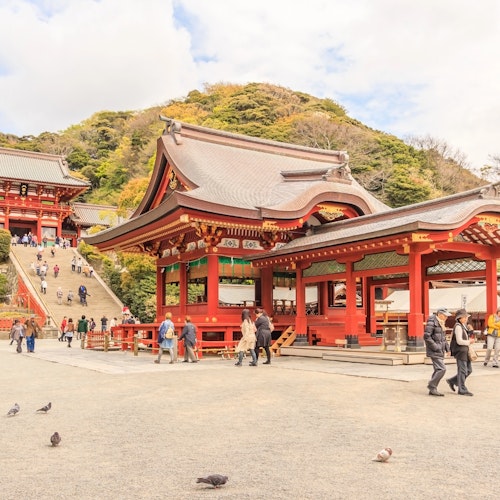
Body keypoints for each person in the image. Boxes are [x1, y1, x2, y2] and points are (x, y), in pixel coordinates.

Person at [424, 307, 451, 396]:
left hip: (440, 349)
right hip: (434, 350)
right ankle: (431, 386)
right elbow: (427, 336)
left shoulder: (441, 323)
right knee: (442, 369)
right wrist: (436, 347)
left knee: (437, 369)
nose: (446, 317)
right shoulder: (432, 322)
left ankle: (433, 389)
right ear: (439, 314)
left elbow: (443, 338)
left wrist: (447, 348)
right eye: (445, 316)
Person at [446, 309, 475, 396]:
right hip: (460, 351)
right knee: (463, 370)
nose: (466, 318)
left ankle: (452, 381)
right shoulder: (458, 327)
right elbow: (459, 341)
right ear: (460, 318)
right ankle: (462, 388)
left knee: (468, 370)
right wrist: (469, 342)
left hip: (465, 351)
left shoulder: (463, 326)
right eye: (464, 317)